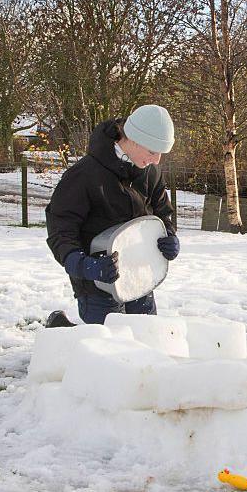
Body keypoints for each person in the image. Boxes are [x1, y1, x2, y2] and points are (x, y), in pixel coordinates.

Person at [45, 104, 180, 326]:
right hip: (97, 279)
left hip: (139, 273)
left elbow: (163, 211)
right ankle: (59, 330)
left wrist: (170, 236)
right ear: (134, 139)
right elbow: (61, 227)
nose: (157, 161)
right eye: (152, 152)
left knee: (146, 338)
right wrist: (82, 264)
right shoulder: (84, 175)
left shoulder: (150, 172)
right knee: (108, 344)